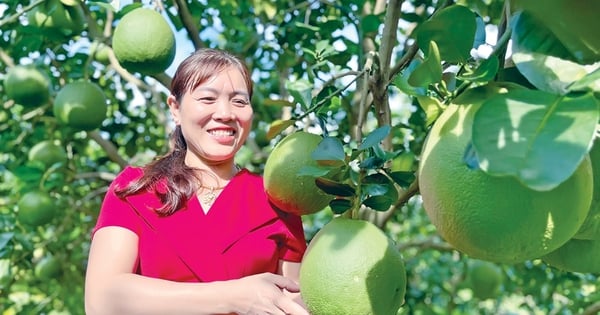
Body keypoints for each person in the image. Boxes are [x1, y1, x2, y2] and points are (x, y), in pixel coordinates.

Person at [85, 48, 309, 315]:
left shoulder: (277, 201)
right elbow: (102, 300)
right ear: (175, 109)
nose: (225, 113)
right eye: (207, 98)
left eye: (239, 101)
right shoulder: (136, 189)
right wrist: (233, 297)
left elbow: (294, 305)